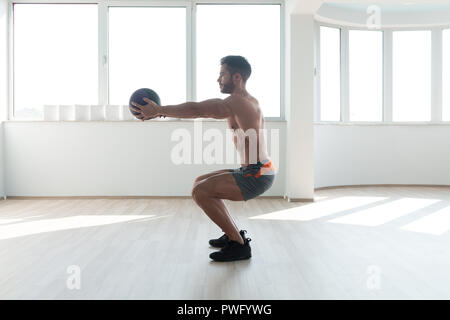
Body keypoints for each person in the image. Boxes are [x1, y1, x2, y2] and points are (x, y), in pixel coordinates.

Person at [130, 55, 276, 262]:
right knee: (200, 183)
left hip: (257, 174)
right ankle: (234, 233)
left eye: (222, 74)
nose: (218, 79)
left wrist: (159, 110)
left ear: (236, 77)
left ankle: (239, 246)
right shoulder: (247, 100)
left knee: (200, 192)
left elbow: (197, 109)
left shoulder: (237, 102)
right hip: (255, 169)